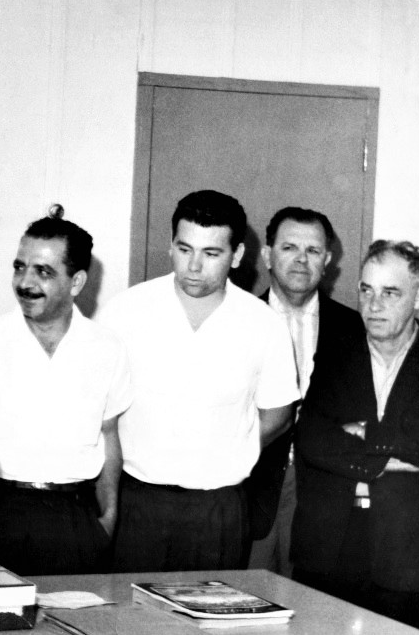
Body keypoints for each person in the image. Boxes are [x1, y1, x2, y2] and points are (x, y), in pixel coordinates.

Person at [102, 189, 298, 572]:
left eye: (211, 254)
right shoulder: (126, 312)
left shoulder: (263, 324)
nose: (194, 266)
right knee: (131, 625)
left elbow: (278, 415)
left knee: (211, 626)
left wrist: (228, 449)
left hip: (219, 509)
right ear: (170, 245)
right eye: (184, 248)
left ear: (237, 255)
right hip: (139, 503)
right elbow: (98, 409)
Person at [0, 212, 131, 575]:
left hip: (74, 518)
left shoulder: (107, 348)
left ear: (77, 282)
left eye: (43, 272)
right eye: (19, 267)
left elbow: (110, 438)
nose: (25, 282)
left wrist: (108, 519)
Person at [292, 240, 419, 635]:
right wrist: (397, 451)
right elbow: (313, 440)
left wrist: (361, 433)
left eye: (390, 292)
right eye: (366, 290)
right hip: (331, 553)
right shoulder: (336, 354)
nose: (373, 305)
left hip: (409, 559)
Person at [245, 207, 362, 576]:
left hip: (324, 496)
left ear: (327, 259)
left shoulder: (354, 329)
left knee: (312, 608)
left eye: (312, 251)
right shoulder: (239, 320)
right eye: (289, 247)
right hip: (252, 490)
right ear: (267, 255)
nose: (301, 259)